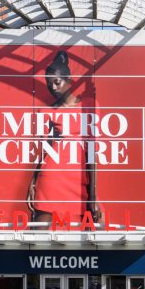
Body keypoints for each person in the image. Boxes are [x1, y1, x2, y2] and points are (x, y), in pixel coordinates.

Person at [27, 50, 94, 223]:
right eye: (49, 84)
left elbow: (93, 150)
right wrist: (33, 181)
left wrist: (93, 195)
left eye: (57, 82)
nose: (53, 88)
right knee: (40, 232)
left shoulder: (89, 105)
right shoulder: (46, 112)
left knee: (85, 237)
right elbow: (44, 149)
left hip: (78, 177)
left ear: (68, 80)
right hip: (51, 177)